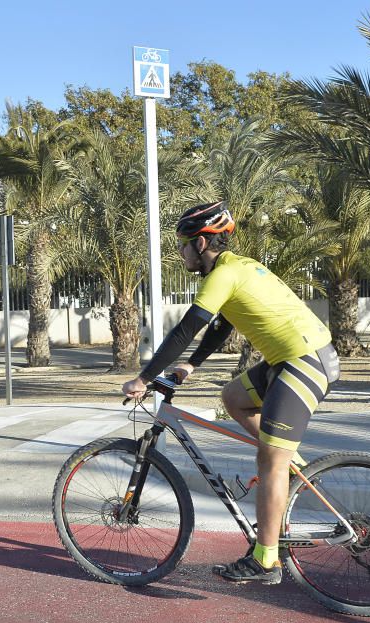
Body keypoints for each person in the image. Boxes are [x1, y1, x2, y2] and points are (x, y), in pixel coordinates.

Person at [122, 202, 340, 585]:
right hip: (290, 359)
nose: (180, 252)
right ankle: (297, 468)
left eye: (183, 244)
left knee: (269, 461)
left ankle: (265, 561)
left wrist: (144, 378)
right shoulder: (234, 267)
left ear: (202, 242)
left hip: (304, 362)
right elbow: (223, 325)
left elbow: (185, 330)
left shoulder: (222, 276)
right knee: (234, 398)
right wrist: (192, 365)